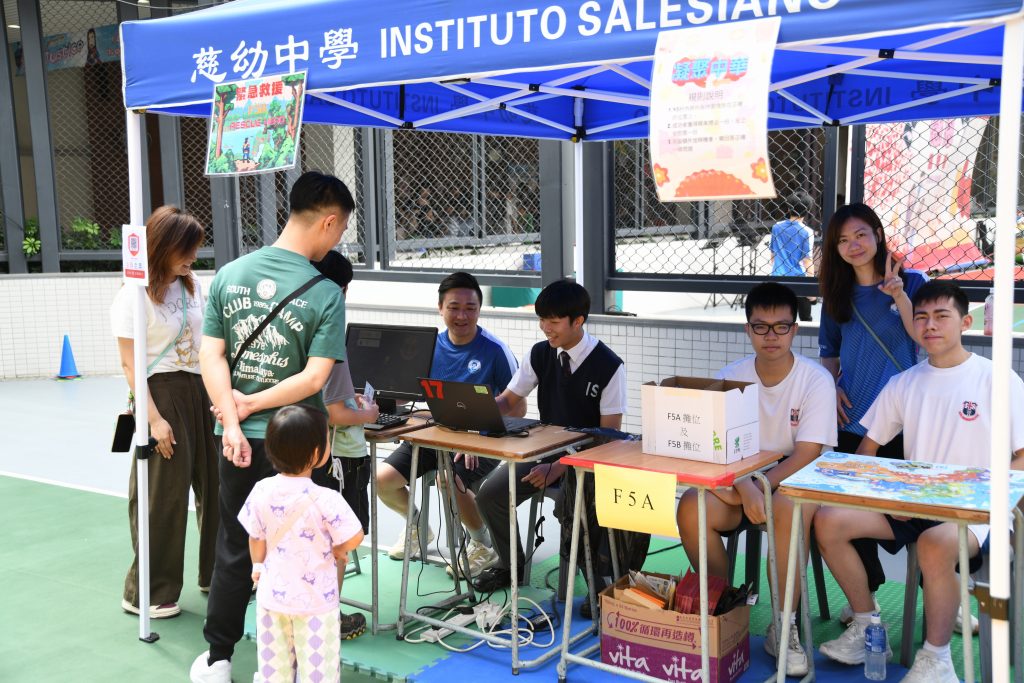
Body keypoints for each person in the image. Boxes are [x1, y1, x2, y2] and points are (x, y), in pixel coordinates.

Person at [815, 281, 1024, 682]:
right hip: (914, 506)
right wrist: (882, 496)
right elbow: (868, 449)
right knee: (828, 519)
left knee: (933, 543)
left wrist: (989, 503)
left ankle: (937, 659)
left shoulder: (997, 379)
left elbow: (1022, 456)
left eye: (941, 316)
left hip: (978, 514)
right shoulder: (904, 382)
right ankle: (868, 627)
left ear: (965, 322)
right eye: (922, 317)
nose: (930, 325)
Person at [190, 171, 353, 683]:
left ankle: (218, 658)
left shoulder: (229, 274)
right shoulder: (325, 292)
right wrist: (252, 404)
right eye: (340, 230)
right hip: (302, 445)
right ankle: (305, 659)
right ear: (329, 221)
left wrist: (233, 419)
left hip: (236, 441)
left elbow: (210, 355)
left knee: (235, 546)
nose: (337, 240)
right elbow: (315, 378)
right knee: (309, 550)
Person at [677, 282, 836, 676]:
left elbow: (807, 453)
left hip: (795, 481)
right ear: (747, 329)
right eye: (761, 326)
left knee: (784, 509)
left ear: (795, 329)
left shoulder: (815, 380)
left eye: (781, 326)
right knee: (692, 506)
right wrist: (743, 486)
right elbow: (718, 446)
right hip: (741, 481)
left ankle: (783, 625)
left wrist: (760, 489)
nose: (771, 336)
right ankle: (720, 607)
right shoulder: (730, 377)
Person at [474, 279, 627, 593]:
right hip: (544, 454)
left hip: (588, 463)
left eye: (553, 322)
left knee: (569, 508)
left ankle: (598, 585)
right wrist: (473, 415)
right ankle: (510, 565)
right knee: (491, 495)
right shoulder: (540, 353)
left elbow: (609, 437)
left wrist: (559, 467)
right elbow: (508, 400)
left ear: (578, 321)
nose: (545, 328)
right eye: (542, 319)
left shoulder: (609, 367)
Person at [817, 202, 926, 620]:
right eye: (843, 240)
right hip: (854, 418)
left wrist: (899, 295)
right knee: (850, 506)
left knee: (918, 513)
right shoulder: (836, 294)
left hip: (905, 421)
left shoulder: (912, 282)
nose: (853, 245)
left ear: (878, 234)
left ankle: (941, 596)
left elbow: (923, 337)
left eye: (861, 234)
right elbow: (830, 353)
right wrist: (830, 389)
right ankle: (866, 593)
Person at [111, 205, 219, 619]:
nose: (193, 257)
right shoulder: (132, 294)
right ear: (162, 247)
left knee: (217, 486)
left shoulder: (193, 285)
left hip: (200, 390)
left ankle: (216, 574)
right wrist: (154, 420)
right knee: (163, 497)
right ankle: (148, 591)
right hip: (161, 393)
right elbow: (130, 365)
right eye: (185, 249)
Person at [376, 271, 520, 579]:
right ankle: (417, 527)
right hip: (435, 435)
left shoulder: (495, 350)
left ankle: (482, 544)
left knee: (447, 479)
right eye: (454, 307)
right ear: (440, 308)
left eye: (470, 308)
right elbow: (409, 394)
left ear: (479, 310)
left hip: (483, 441)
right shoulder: (429, 346)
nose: (462, 315)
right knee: (381, 480)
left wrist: (476, 432)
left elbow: (517, 409)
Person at [240, 404, 364, 683]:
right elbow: (355, 535)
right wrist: (339, 548)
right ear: (317, 454)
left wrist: (257, 565)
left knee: (275, 672)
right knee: (319, 674)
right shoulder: (327, 499)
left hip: (272, 600)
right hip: (316, 605)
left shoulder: (262, 490)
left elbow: (255, 536)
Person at [311, 250, 378, 638]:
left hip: (304, 450)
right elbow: (336, 414)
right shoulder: (330, 332)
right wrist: (367, 414)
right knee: (336, 541)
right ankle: (329, 618)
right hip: (339, 456)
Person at [769, 193, 816, 321]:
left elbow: (772, 255)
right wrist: (811, 289)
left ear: (788, 208)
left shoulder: (777, 227)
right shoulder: (807, 232)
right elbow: (807, 260)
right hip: (799, 279)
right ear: (807, 210)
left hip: (778, 277)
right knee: (805, 317)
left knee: (782, 318)